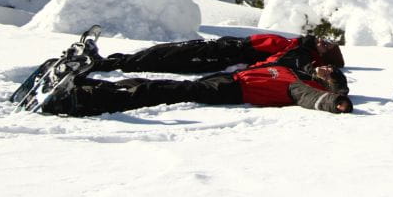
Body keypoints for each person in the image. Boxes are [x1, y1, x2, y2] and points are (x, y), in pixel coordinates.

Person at [41, 63, 353, 117]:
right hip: (227, 80)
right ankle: (92, 86)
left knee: (164, 92)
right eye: (325, 67)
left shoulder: (301, 86)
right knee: (156, 85)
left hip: (230, 93)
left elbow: (313, 99)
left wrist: (335, 101)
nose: (323, 69)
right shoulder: (292, 70)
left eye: (329, 73)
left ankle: (82, 101)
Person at [89, 33, 345, 76]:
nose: (323, 41)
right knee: (165, 50)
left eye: (327, 46)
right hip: (225, 46)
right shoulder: (298, 42)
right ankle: (111, 60)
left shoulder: (300, 53)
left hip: (225, 56)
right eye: (326, 41)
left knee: (168, 58)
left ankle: (105, 65)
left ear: (323, 56)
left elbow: (276, 63)